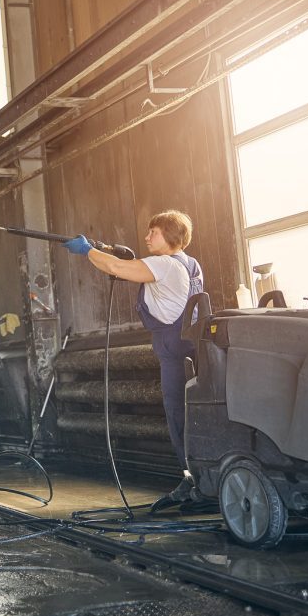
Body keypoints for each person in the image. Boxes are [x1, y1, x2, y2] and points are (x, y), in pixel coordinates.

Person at [62, 210, 204, 509]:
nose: (147, 237)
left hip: (174, 348)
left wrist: (88, 250)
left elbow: (115, 266)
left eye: (153, 232)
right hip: (192, 345)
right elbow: (123, 265)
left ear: (171, 236)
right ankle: (200, 480)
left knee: (179, 415)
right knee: (194, 414)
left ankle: (198, 484)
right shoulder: (190, 264)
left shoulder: (164, 264)